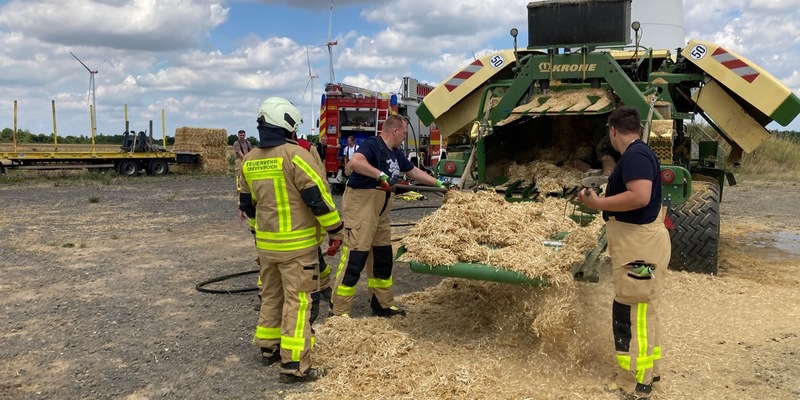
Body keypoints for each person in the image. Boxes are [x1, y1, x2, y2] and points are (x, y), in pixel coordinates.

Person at [238, 97, 344, 383]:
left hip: (266, 246)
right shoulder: (296, 155)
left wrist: (256, 234)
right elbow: (318, 199)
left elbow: (247, 207)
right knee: (298, 303)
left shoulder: (248, 161)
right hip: (297, 248)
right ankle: (295, 364)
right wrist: (336, 230)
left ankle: (268, 347)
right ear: (286, 124)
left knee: (271, 296)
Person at [577, 106, 670, 400]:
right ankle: (648, 374)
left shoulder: (635, 156)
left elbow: (639, 196)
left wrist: (598, 205)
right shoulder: (640, 153)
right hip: (640, 244)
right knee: (644, 311)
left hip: (638, 248)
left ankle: (633, 384)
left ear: (613, 130)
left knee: (630, 314)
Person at [330, 115, 445, 318]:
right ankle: (339, 311)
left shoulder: (395, 152)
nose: (404, 137)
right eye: (403, 133)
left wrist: (437, 184)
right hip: (362, 207)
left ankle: (382, 304)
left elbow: (414, 172)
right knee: (355, 258)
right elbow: (356, 162)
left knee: (383, 258)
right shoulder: (373, 144)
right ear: (394, 131)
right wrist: (379, 175)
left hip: (381, 211)